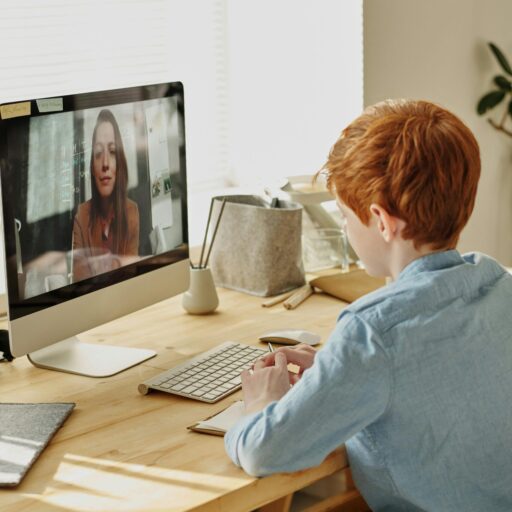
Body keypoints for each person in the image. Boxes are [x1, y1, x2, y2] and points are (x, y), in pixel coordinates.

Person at [224, 100, 512, 511]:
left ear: (382, 221)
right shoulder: (500, 283)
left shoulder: (372, 332)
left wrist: (260, 402)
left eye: (344, 216)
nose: (345, 228)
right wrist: (333, 371)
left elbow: (262, 452)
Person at [72, 109, 139, 281]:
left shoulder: (132, 212)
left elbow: (132, 277)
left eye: (112, 151)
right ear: (92, 168)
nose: (105, 164)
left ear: (120, 164)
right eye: (98, 153)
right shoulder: (81, 216)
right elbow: (80, 284)